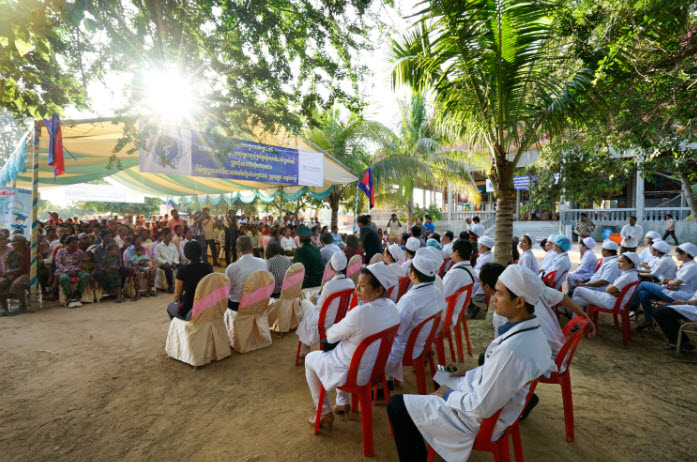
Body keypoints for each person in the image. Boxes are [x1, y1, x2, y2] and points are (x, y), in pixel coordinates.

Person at [387, 265, 555, 462]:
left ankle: (437, 420)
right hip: (493, 399)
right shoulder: (534, 334)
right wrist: (471, 370)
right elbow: (502, 374)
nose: (493, 298)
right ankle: (435, 421)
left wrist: (447, 394)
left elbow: (481, 407)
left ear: (519, 301)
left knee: (396, 406)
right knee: (442, 371)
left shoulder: (512, 350)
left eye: (499, 294)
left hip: (481, 419)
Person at [304, 264, 399, 429]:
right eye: (358, 285)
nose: (357, 290)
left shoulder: (360, 313)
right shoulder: (393, 307)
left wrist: (348, 323)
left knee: (311, 358)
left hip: (355, 372)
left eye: (363, 286)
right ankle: (341, 402)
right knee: (345, 349)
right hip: (376, 368)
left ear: (378, 290)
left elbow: (332, 335)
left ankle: (325, 412)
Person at [386, 248, 447, 382]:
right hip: (424, 344)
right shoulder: (436, 291)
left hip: (408, 349)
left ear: (412, 274)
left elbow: (397, 328)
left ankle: (383, 381)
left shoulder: (410, 299)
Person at [297, 252, 356, 357]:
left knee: (304, 305)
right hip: (341, 319)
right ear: (346, 267)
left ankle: (305, 349)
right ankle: (305, 349)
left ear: (331, 268)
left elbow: (319, 308)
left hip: (326, 322)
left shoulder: (329, 285)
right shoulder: (350, 283)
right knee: (304, 316)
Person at [634, 242, 697, 330]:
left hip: (682, 295)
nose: (675, 255)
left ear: (685, 254)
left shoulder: (691, 267)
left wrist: (668, 282)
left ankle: (632, 305)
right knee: (643, 294)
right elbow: (678, 281)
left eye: (677, 253)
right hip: (674, 290)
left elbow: (676, 283)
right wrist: (670, 281)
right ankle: (648, 319)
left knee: (643, 284)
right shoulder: (686, 265)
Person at [571, 252, 640, 312]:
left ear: (631, 264)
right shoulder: (631, 273)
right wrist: (615, 290)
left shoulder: (626, 276)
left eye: (622, 262)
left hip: (611, 302)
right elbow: (614, 290)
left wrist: (612, 287)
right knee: (578, 300)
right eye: (618, 261)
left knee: (578, 289)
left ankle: (569, 309)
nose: (618, 263)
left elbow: (608, 290)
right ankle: (577, 323)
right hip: (615, 300)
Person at [166, 241, 214, 321]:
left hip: (189, 307)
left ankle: (181, 329)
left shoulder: (183, 270)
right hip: (207, 304)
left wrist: (177, 300)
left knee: (170, 307)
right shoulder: (208, 267)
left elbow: (177, 295)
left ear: (186, 254)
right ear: (200, 252)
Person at [225, 234, 267, 310]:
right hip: (259, 303)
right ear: (251, 247)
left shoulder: (232, 268)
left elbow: (226, 290)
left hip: (238, 306)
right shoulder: (263, 262)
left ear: (237, 249)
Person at [442, 239, 475, 324]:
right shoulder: (471, 270)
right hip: (458, 311)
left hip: (446, 315)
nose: (451, 253)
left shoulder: (454, 274)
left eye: (452, 250)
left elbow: (441, 296)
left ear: (456, 252)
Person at [54, 236, 91, 308]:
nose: (75, 245)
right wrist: (67, 271)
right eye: (73, 243)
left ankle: (78, 293)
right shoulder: (61, 251)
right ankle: (69, 295)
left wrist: (75, 270)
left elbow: (80, 263)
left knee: (86, 275)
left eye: (76, 243)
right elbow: (58, 263)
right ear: (67, 244)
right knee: (64, 278)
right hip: (63, 270)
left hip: (76, 270)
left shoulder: (79, 252)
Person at [0, 235, 30, 315]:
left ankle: (22, 307)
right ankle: (4, 308)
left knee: (17, 283)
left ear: (22, 243)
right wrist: (9, 274)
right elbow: (9, 267)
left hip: (27, 274)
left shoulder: (29, 252)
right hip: (14, 274)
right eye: (12, 241)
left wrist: (10, 273)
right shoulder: (12, 254)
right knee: (1, 283)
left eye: (15, 241)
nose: (13, 243)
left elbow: (27, 268)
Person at [155, 228, 180, 294]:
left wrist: (174, 262)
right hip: (163, 264)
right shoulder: (158, 246)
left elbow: (176, 255)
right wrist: (164, 262)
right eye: (169, 235)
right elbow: (157, 257)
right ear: (164, 236)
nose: (171, 237)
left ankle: (181, 285)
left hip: (173, 262)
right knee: (168, 269)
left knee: (183, 267)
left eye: (171, 235)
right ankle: (170, 286)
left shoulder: (173, 245)